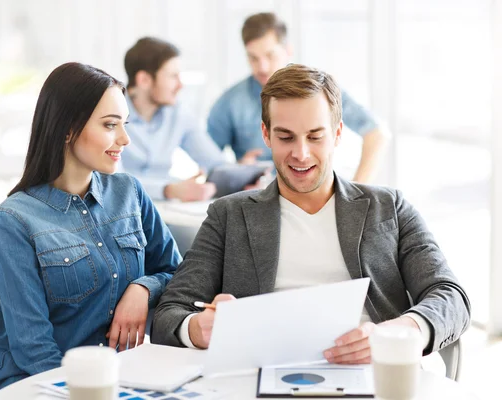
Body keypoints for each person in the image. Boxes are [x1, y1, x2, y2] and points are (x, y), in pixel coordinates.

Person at [152, 64, 470, 365]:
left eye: (315, 136)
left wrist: (394, 333)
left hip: (372, 371)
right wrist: (197, 327)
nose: (301, 154)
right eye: (286, 137)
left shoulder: (389, 207)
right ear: (266, 135)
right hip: (259, 375)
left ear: (338, 134)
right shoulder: (228, 215)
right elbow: (169, 313)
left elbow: (450, 297)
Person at [0, 62, 181, 398]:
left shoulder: (129, 192)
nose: (125, 138)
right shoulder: (14, 220)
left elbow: (177, 271)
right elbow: (34, 348)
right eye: (109, 125)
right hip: (39, 384)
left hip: (116, 379)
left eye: (125, 124)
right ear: (68, 128)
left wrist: (143, 288)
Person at [207, 12, 388, 183]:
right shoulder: (230, 103)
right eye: (253, 58)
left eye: (270, 56)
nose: (262, 67)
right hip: (258, 203)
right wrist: (236, 172)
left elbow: (377, 133)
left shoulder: (322, 91)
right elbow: (209, 166)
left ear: (288, 51)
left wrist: (356, 191)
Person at [121, 37, 263, 202]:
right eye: (173, 76)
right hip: (121, 210)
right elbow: (110, 180)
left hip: (163, 210)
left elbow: (214, 163)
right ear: (144, 80)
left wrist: (239, 173)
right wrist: (168, 190)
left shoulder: (178, 113)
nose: (180, 85)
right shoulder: (110, 115)